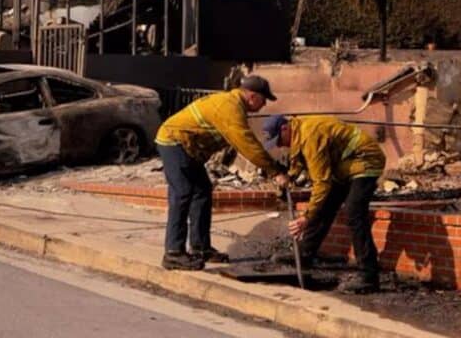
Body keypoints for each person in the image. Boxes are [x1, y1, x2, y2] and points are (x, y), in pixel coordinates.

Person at [155, 75, 290, 271]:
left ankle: (200, 248)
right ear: (252, 96)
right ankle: (173, 253)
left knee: (202, 192)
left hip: (187, 147)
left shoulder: (234, 105)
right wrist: (274, 170)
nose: (264, 106)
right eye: (263, 100)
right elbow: (247, 145)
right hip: (173, 142)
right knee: (182, 193)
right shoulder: (230, 108)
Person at [265, 114, 386, 293]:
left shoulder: (309, 135)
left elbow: (321, 182)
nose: (280, 145)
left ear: (285, 128)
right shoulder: (299, 132)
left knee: (354, 213)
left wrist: (305, 218)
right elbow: (300, 157)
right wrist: (290, 175)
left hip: (365, 161)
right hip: (344, 166)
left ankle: (369, 276)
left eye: (279, 140)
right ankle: (304, 255)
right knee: (324, 208)